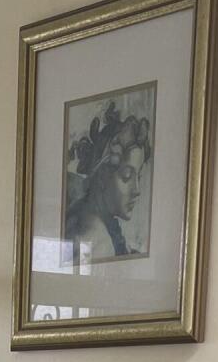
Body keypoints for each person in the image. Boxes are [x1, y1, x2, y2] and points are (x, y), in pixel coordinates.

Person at [64, 101, 153, 263]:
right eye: (127, 176)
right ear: (102, 178)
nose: (137, 190)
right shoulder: (97, 240)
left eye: (138, 177)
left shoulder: (89, 217)